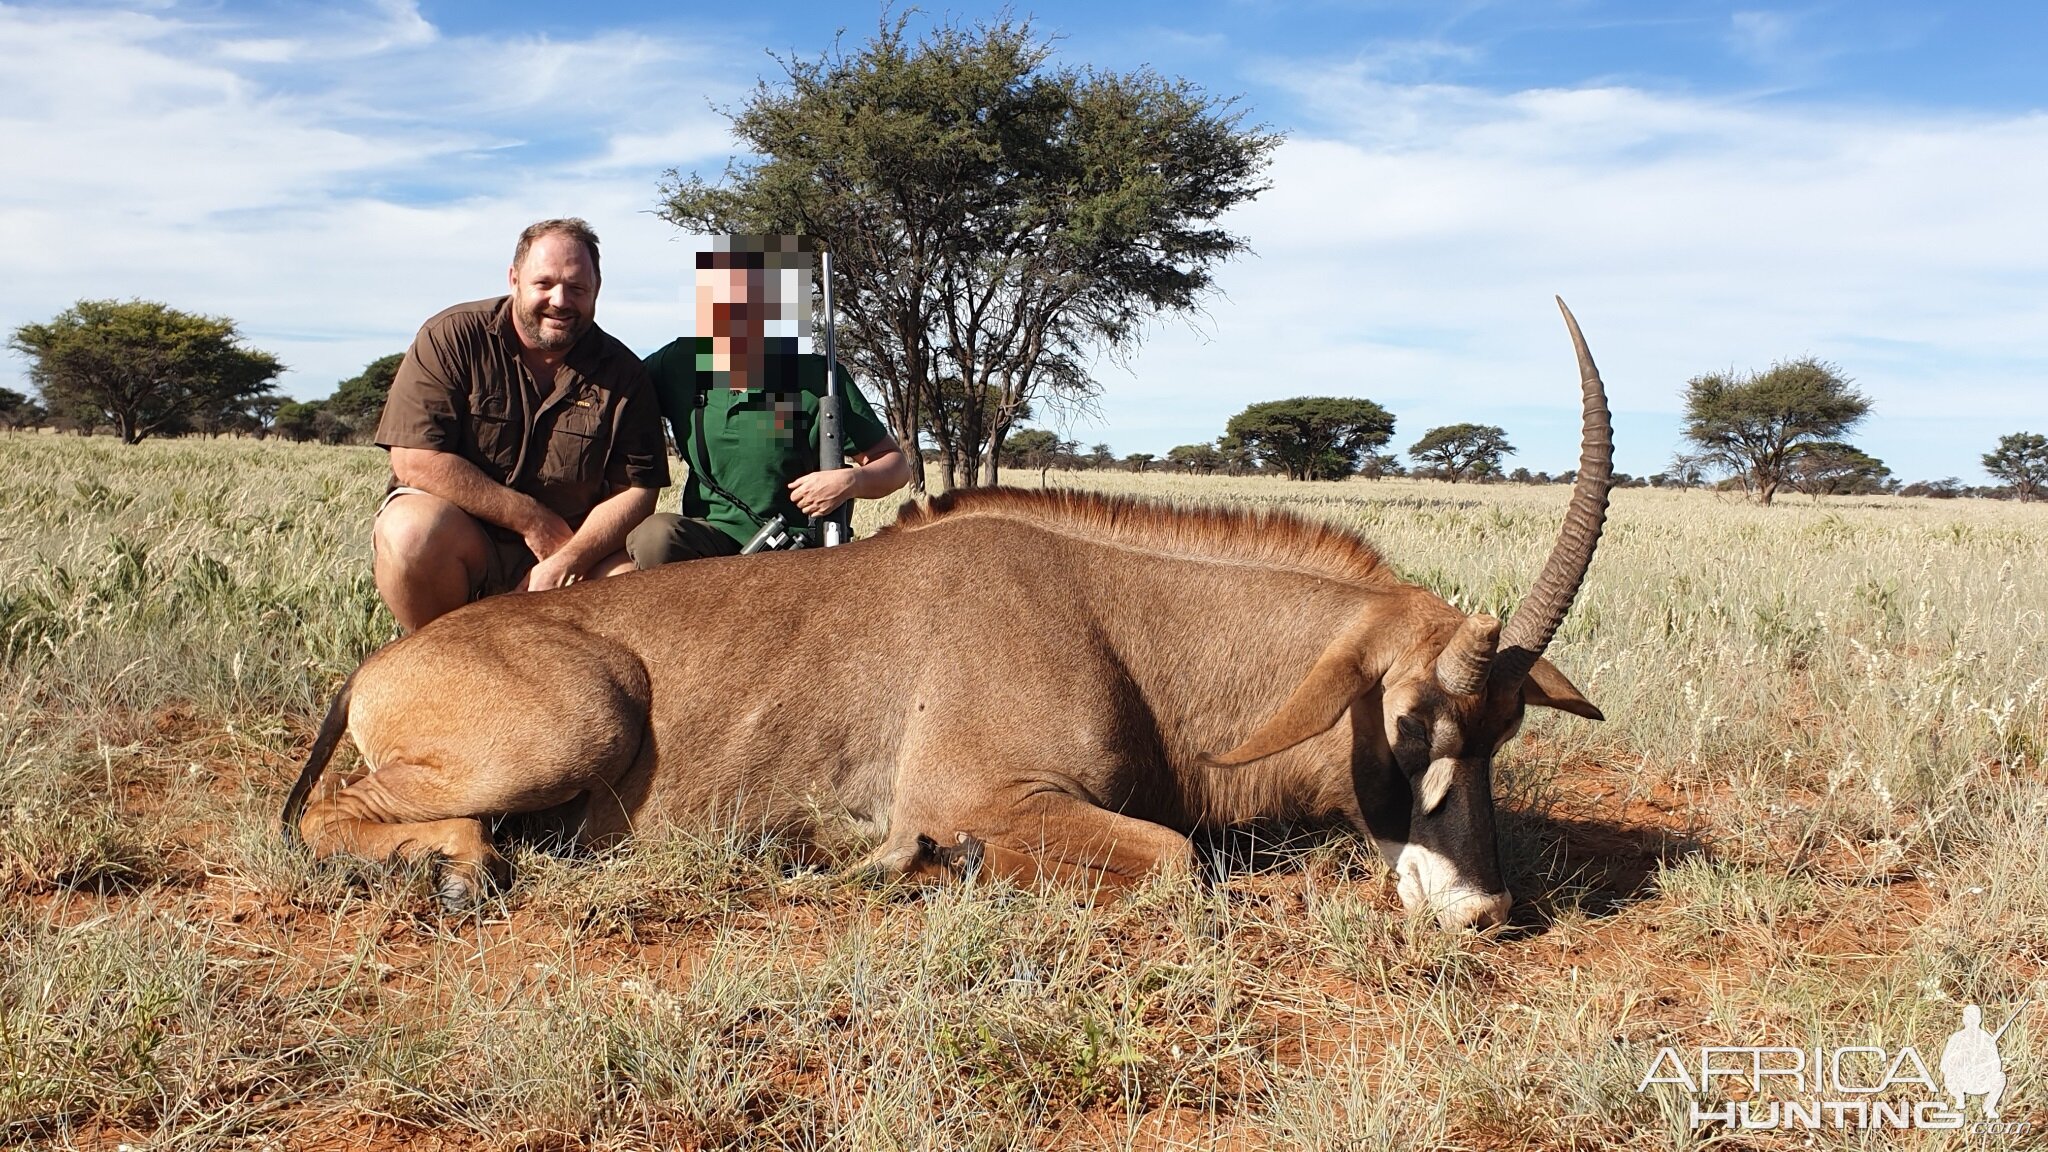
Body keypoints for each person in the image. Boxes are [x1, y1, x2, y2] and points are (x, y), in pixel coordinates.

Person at [372, 218, 670, 631]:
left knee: (631, 584)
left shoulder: (625, 373)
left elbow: (637, 491)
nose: (560, 300)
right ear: (514, 279)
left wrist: (568, 558)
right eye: (544, 283)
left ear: (596, 291)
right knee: (409, 532)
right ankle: (440, 661)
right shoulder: (452, 337)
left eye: (577, 288)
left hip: (570, 550)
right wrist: (531, 520)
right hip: (469, 540)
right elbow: (415, 458)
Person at [628, 234, 908, 565]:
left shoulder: (819, 376)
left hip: (792, 550)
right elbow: (621, 396)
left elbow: (895, 464)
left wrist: (851, 481)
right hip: (709, 542)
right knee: (656, 537)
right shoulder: (679, 362)